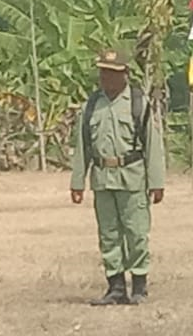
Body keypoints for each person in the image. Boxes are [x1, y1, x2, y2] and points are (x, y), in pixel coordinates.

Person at [70, 49, 165, 305]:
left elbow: (153, 145)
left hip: (132, 178)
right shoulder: (91, 105)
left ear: (125, 74)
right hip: (102, 179)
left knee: (136, 232)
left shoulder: (138, 103)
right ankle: (115, 287)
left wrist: (157, 183)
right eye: (103, 72)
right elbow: (82, 145)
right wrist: (77, 182)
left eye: (112, 73)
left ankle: (139, 287)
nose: (106, 78)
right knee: (108, 234)